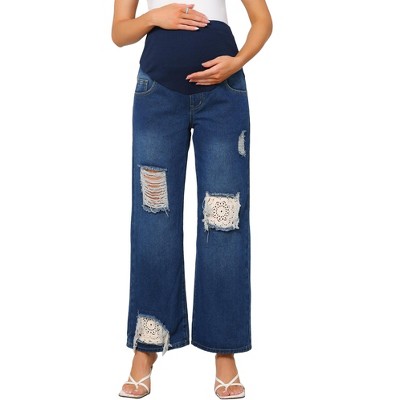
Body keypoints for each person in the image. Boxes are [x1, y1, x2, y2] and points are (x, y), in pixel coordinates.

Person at [111, 0, 272, 398]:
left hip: (224, 95)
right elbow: (119, 33)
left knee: (225, 223)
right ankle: (147, 347)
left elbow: (262, 21)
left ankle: (225, 350)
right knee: (153, 220)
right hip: (157, 94)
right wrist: (154, 17)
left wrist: (237, 62)